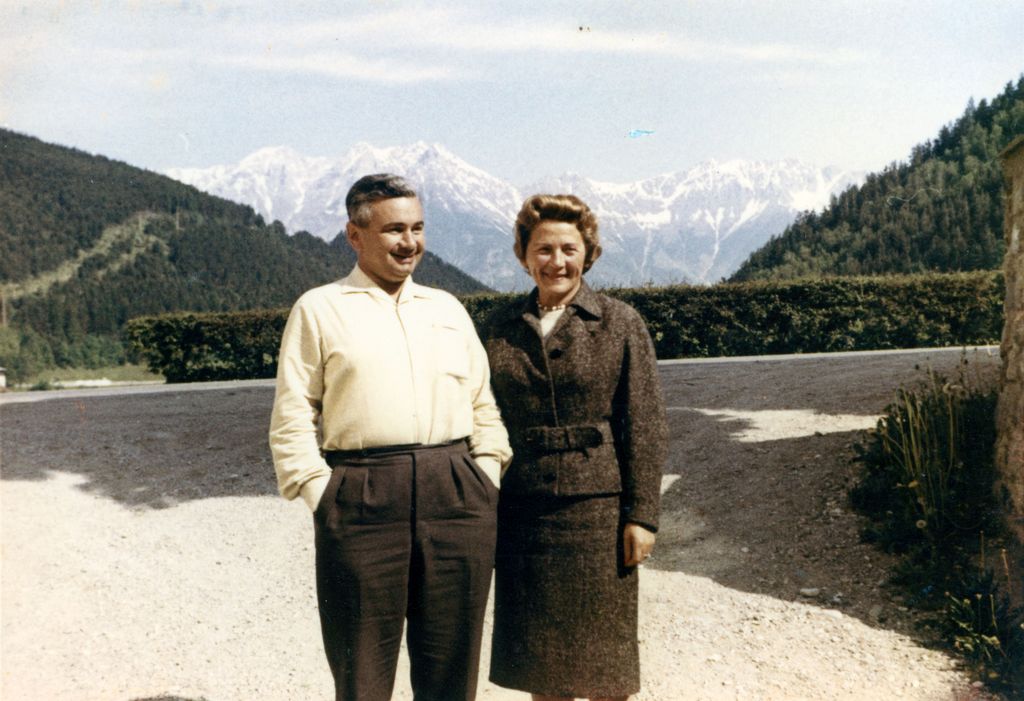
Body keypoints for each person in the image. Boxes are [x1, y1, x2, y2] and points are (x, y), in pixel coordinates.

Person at [268, 173, 511, 701]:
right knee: (362, 670)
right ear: (355, 236)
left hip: (457, 493)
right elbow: (291, 415)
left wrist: (485, 475)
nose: (410, 243)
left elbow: (483, 404)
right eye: (394, 230)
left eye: (418, 228)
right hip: (362, 497)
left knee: (451, 665)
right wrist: (322, 494)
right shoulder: (319, 308)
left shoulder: (447, 309)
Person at [481, 194, 668, 701]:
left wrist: (642, 515)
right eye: (543, 249)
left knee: (605, 670)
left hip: (597, 518)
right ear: (523, 255)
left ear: (588, 254)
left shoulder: (620, 322)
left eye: (569, 248)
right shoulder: (497, 330)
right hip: (524, 514)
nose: (557, 261)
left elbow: (644, 423)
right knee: (544, 670)